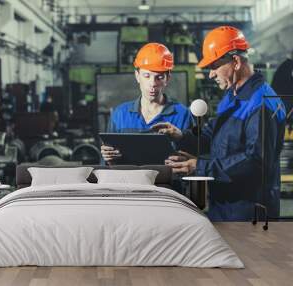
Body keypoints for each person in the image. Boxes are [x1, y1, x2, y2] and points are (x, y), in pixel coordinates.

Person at [159, 26, 286, 221]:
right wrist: (182, 136)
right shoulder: (232, 94)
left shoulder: (261, 104)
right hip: (223, 206)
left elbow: (255, 162)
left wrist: (199, 167)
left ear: (235, 62)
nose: (210, 74)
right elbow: (213, 134)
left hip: (249, 211)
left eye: (214, 66)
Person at [101, 43, 194, 163]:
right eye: (147, 76)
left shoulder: (182, 114)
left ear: (168, 78)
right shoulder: (120, 114)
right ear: (137, 76)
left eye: (159, 77)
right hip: (128, 181)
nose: (153, 83)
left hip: (169, 181)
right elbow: (108, 164)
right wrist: (108, 157)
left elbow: (191, 161)